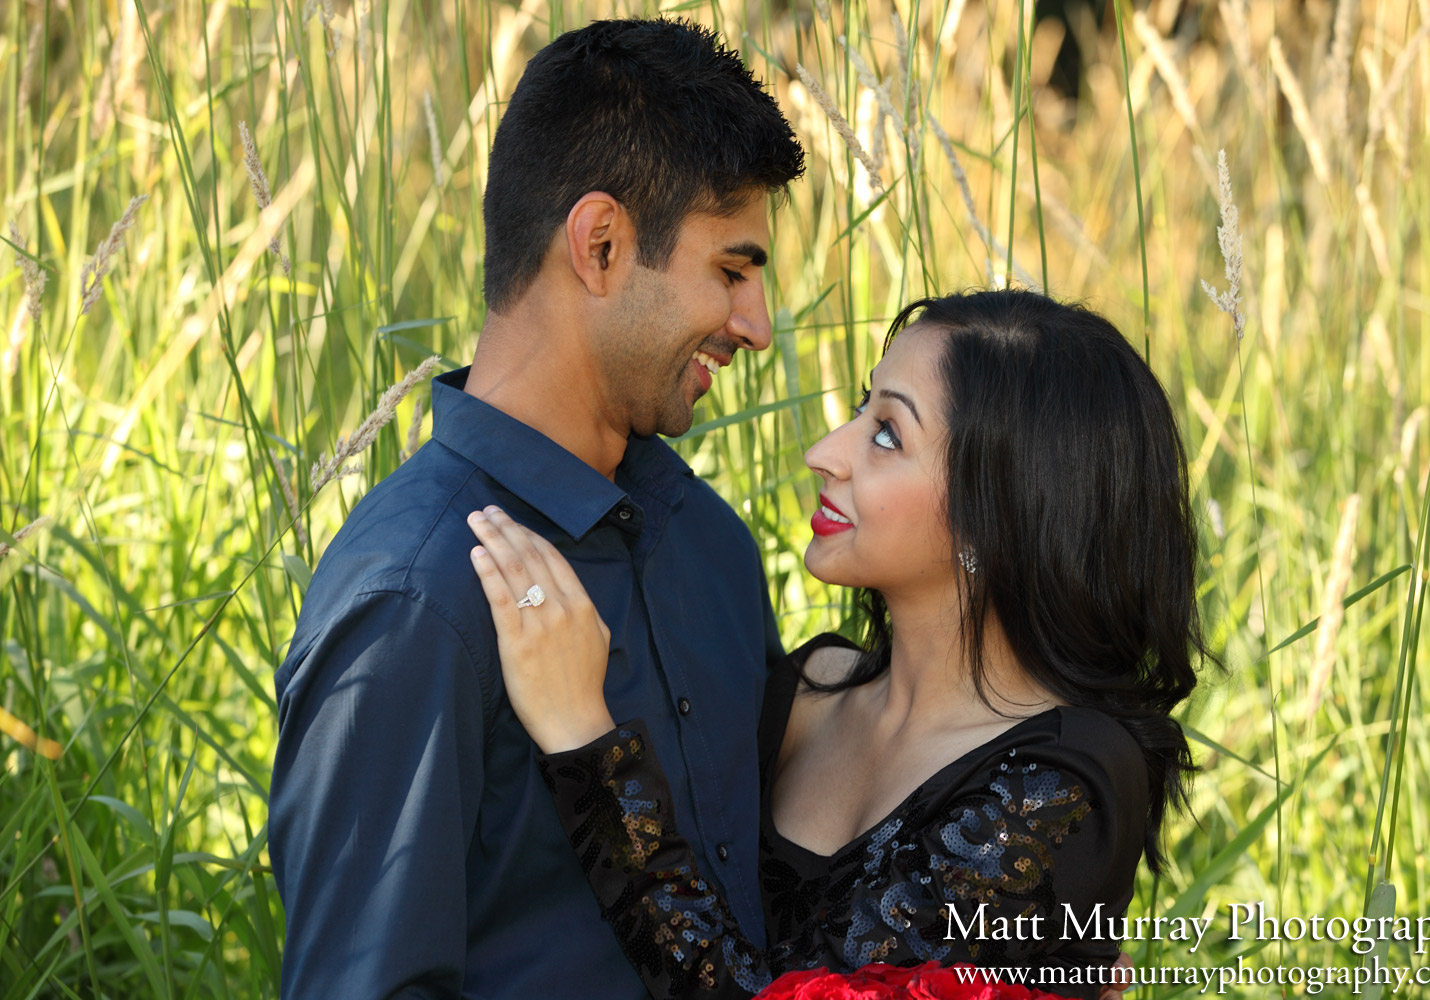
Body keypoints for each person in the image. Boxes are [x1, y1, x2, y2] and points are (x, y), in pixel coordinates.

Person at [464, 289, 1209, 1000]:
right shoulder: (807, 688)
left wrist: (586, 743)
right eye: (861, 408)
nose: (826, 451)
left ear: (999, 516)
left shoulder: (1063, 781)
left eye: (887, 434)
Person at [268, 19, 804, 998]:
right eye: (731, 271)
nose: (757, 327)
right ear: (600, 245)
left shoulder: (714, 550)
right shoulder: (415, 600)